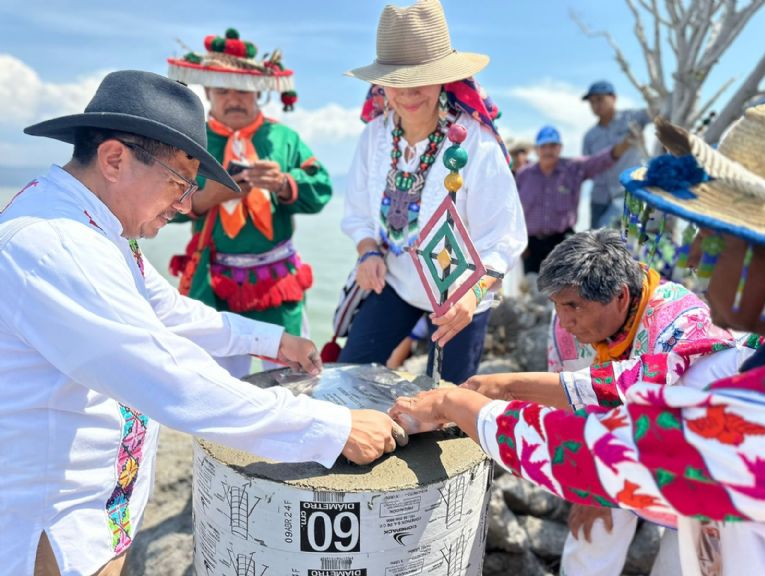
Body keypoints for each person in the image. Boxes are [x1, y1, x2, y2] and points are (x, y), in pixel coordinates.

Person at [0, 71, 401, 576]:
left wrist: (273, 339)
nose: (186, 204)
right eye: (179, 182)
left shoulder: (92, 227)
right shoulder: (55, 245)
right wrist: (329, 426)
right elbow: (167, 376)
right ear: (115, 159)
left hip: (92, 514)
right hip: (51, 529)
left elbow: (169, 311)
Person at [391, 105, 765, 575]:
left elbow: (606, 437)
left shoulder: (708, 359)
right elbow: (612, 393)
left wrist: (461, 403)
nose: (692, 257)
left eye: (719, 240)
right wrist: (504, 388)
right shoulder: (739, 370)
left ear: (621, 297)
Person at [462, 228, 739, 576]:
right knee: (590, 530)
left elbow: (626, 390)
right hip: (617, 443)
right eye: (557, 306)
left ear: (621, 297)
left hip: (707, 463)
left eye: (574, 307)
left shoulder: (683, 326)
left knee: (687, 564)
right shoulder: (570, 319)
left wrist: (511, 385)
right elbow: (571, 403)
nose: (564, 320)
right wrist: (592, 486)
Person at [338, 0, 527, 384]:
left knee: (444, 402)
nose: (407, 92)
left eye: (420, 77)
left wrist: (469, 298)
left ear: (444, 77)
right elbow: (358, 214)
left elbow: (503, 239)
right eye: (396, 80)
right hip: (394, 280)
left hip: (461, 292)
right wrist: (368, 251)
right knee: (347, 375)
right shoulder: (375, 137)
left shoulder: (477, 144)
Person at [167, 28, 331, 377]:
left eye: (243, 90)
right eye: (223, 90)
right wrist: (203, 198)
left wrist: (286, 184)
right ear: (207, 92)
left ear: (259, 91)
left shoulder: (283, 138)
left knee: (293, 379)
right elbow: (156, 202)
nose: (234, 99)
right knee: (217, 384)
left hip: (278, 283)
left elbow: (321, 188)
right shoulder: (189, 140)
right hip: (214, 283)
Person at [517, 125, 633, 274]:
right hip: (531, 245)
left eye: (553, 146)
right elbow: (513, 212)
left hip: (562, 242)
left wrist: (625, 143)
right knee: (533, 290)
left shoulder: (573, 168)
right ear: (536, 149)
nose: (548, 150)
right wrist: (521, 244)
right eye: (543, 146)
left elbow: (601, 160)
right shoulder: (523, 175)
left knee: (565, 288)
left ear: (560, 148)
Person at [582, 80, 651, 229]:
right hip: (599, 198)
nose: (595, 105)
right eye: (592, 102)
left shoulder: (632, 118)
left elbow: (659, 111)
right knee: (594, 243)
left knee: (611, 236)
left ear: (613, 98)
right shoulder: (590, 136)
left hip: (629, 193)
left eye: (600, 99)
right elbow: (586, 167)